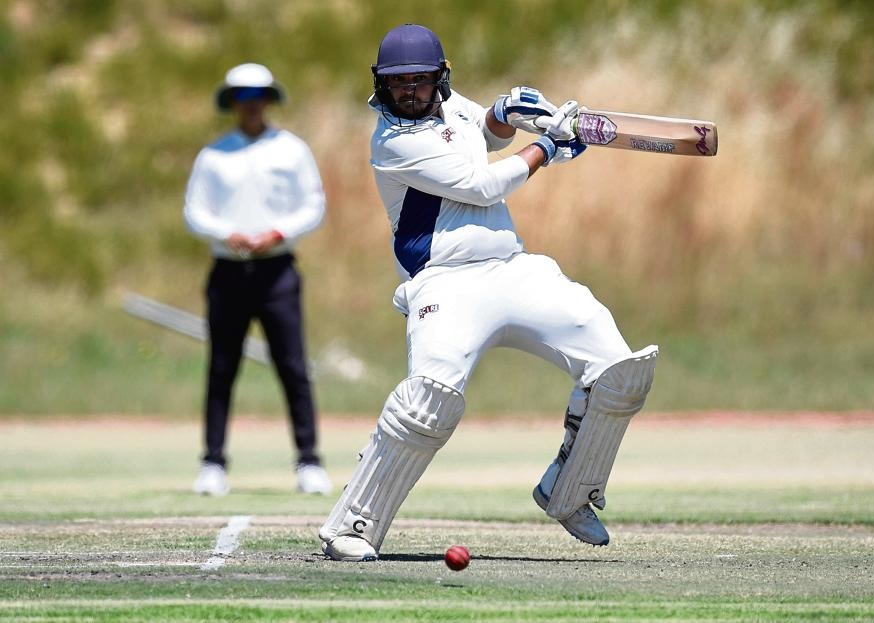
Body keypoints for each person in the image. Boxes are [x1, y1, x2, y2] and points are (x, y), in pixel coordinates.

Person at [319, 24, 658, 562]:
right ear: (381, 84)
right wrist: (548, 145)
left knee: (619, 370)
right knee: (428, 402)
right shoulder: (393, 142)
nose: (409, 91)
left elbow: (485, 136)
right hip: (445, 283)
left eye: (419, 80)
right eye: (398, 82)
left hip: (512, 268)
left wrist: (504, 113)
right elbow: (482, 185)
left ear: (440, 77)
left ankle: (569, 490)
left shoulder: (452, 108)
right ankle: (353, 525)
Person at [184, 62, 332, 496]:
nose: (251, 105)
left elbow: (313, 206)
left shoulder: (292, 150)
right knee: (222, 367)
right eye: (242, 98)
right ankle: (213, 462)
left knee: (293, 367)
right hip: (228, 271)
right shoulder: (214, 155)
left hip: (277, 271)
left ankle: (309, 461)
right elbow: (195, 212)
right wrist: (225, 233)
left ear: (269, 100)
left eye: (258, 97)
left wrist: (278, 233)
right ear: (232, 103)